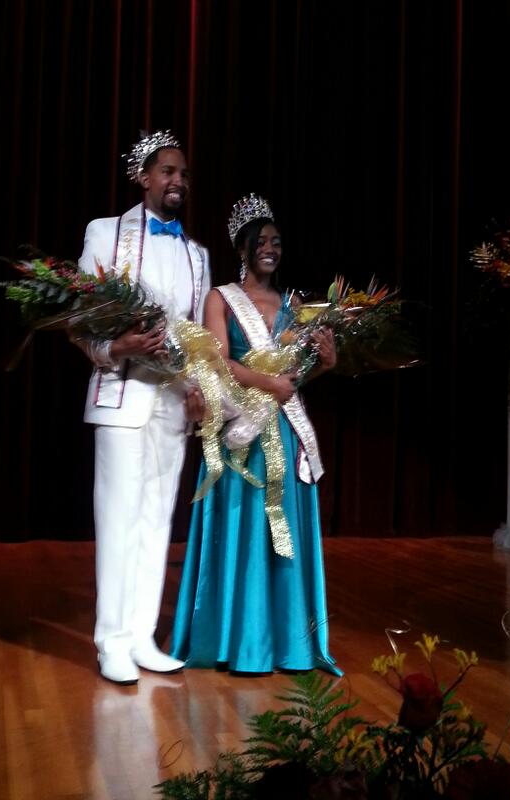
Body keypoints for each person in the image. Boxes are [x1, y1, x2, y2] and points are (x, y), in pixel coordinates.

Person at [170, 193, 342, 675]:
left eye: (276, 242)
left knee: (280, 537)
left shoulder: (294, 305)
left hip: (284, 433)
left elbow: (294, 379)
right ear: (241, 249)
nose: (270, 249)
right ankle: (236, 640)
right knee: (244, 534)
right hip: (241, 433)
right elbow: (217, 362)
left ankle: (288, 643)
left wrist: (325, 366)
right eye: (260, 242)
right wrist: (266, 382)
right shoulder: (221, 298)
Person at [73, 130, 210, 684]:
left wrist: (201, 387)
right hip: (123, 392)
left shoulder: (197, 255)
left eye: (183, 174)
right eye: (168, 172)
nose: (177, 181)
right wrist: (116, 348)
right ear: (145, 177)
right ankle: (111, 640)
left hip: (172, 403)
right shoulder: (106, 234)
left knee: (157, 521)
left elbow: (198, 336)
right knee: (119, 517)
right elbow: (78, 321)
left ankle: (142, 636)